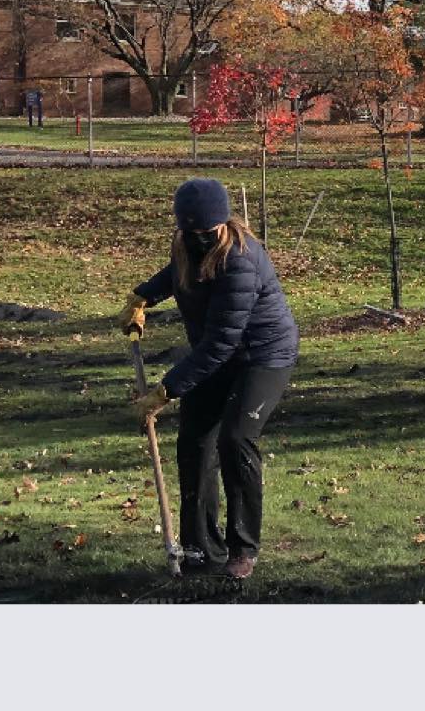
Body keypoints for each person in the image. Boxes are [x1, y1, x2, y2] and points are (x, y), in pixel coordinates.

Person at [120, 178, 300, 582]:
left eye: (206, 232)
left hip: (262, 356)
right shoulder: (185, 242)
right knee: (195, 440)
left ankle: (242, 548)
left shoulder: (241, 259)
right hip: (216, 353)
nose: (198, 238)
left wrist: (167, 390)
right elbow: (176, 274)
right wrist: (143, 296)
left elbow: (221, 342)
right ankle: (201, 544)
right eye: (191, 231)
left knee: (235, 438)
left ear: (222, 223)